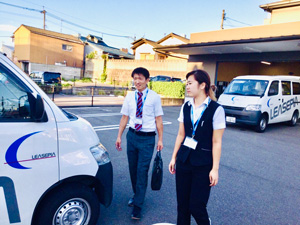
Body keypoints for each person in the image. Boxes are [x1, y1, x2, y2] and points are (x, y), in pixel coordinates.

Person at [169, 69, 225, 225]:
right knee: (182, 206)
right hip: (184, 161)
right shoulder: (186, 106)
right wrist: (174, 157)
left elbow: (217, 142)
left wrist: (215, 169)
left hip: (203, 164)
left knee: (196, 206)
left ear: (202, 85)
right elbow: (181, 134)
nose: (187, 86)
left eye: (190, 83)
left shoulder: (216, 109)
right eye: (186, 83)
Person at [116, 67, 164, 220]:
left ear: (147, 80)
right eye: (135, 78)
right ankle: (137, 195)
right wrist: (119, 136)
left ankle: (138, 206)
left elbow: (158, 120)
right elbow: (124, 118)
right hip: (132, 136)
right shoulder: (129, 97)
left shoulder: (154, 97)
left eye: (140, 78)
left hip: (147, 139)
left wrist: (161, 139)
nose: (137, 81)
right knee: (133, 169)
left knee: (142, 171)